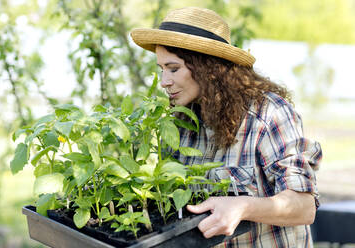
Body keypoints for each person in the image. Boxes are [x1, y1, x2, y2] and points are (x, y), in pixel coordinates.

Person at [131, 6, 322, 247]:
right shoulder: (180, 123)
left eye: (173, 69)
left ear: (207, 67)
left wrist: (243, 207)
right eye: (161, 69)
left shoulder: (267, 114)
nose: (164, 82)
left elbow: (304, 208)